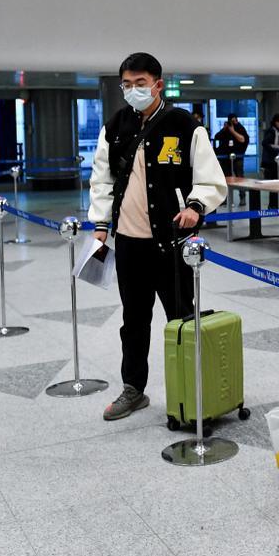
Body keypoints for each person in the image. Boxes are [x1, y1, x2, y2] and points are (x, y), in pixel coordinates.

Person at [88, 52, 227, 421]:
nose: (133, 90)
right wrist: (101, 224)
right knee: (134, 321)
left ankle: (193, 390)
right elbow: (101, 180)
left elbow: (212, 178)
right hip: (129, 244)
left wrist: (196, 206)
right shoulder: (115, 126)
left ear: (158, 84)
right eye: (127, 85)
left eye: (141, 84)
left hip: (173, 244)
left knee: (182, 318)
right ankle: (133, 389)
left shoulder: (184, 125)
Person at [261, 113, 279, 208]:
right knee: (276, 184)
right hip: (272, 163)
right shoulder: (272, 131)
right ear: (276, 122)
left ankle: (278, 204)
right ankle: (274, 205)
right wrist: (276, 154)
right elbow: (265, 143)